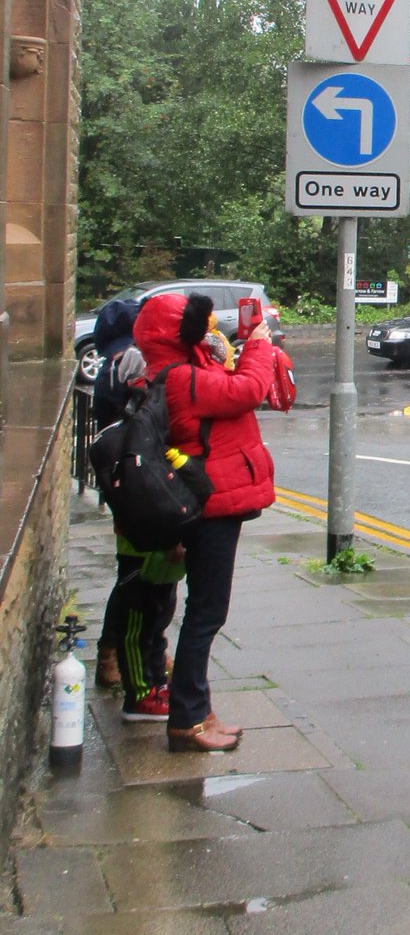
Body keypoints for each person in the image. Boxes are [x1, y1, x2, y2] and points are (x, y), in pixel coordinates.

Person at [132, 290, 276, 753]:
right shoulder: (182, 378)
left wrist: (226, 350)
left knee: (202, 611)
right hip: (211, 506)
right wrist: (258, 345)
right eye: (202, 323)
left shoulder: (177, 369)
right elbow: (248, 390)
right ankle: (188, 718)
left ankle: (197, 709)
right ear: (181, 332)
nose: (211, 328)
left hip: (205, 500)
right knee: (206, 613)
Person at [91, 299, 183, 722]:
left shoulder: (120, 365)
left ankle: (149, 659)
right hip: (136, 489)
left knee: (157, 586)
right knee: (136, 585)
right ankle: (124, 667)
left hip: (146, 488)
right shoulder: (126, 365)